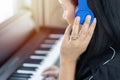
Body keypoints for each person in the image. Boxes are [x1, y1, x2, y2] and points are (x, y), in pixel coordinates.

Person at [42, 0, 120, 80]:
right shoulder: (105, 51)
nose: (64, 16)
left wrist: (67, 60)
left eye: (64, 8)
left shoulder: (107, 71)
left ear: (84, 15)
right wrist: (66, 74)